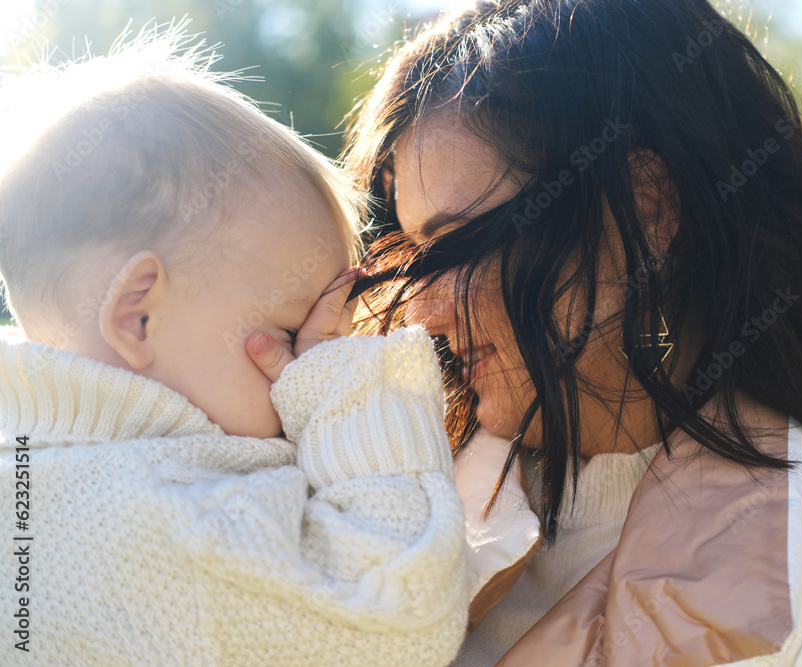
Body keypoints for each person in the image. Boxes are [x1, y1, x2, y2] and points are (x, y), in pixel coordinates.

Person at [342, 0, 802, 664]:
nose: (423, 313)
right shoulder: (380, 516)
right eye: (413, 257)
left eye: (460, 246)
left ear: (647, 205)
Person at [0, 27, 468, 665]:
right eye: (284, 335)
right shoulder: (158, 518)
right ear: (137, 317)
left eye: (313, 348)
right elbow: (397, 615)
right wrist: (346, 387)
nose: (302, 362)